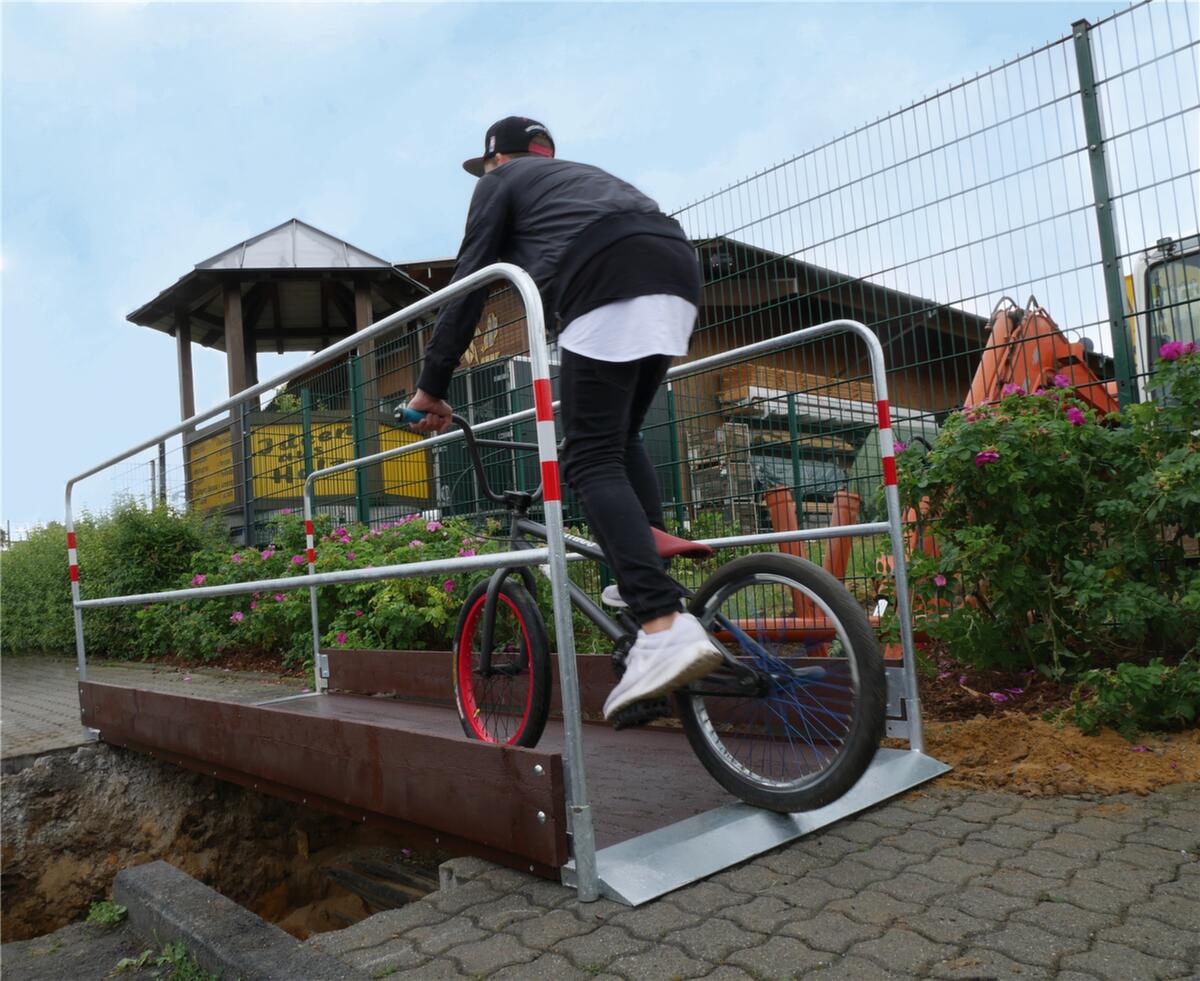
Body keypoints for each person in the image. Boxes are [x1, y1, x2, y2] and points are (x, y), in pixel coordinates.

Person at [408, 116, 720, 721]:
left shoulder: (502, 181)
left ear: (496, 159)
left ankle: (661, 623)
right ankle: (644, 563)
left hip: (606, 276)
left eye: (485, 165)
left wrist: (431, 386)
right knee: (617, 437)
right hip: (676, 267)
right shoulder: (582, 179)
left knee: (585, 457)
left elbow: (471, 280)